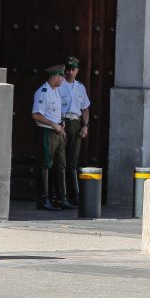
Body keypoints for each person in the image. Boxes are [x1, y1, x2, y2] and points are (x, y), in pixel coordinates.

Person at [31, 65, 77, 211]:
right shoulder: (43, 92)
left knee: (61, 165)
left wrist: (60, 123)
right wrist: (53, 124)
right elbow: (36, 115)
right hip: (47, 132)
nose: (64, 79)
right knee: (45, 165)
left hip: (58, 132)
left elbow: (55, 112)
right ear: (55, 77)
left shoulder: (56, 91)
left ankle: (61, 198)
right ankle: (43, 199)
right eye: (61, 76)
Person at [59, 55, 90, 206]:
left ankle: (74, 195)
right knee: (60, 161)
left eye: (73, 69)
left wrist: (85, 125)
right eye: (68, 69)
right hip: (63, 123)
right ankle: (60, 194)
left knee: (72, 161)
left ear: (77, 71)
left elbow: (85, 108)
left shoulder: (80, 87)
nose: (70, 72)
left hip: (76, 123)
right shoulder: (59, 85)